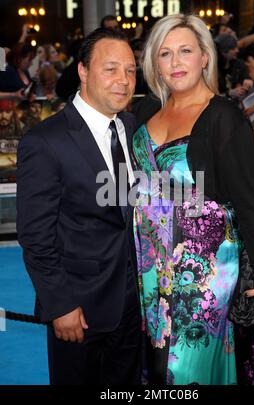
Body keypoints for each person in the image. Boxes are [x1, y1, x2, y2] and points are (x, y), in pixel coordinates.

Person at [131, 14, 254, 385]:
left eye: (185, 51)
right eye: (165, 54)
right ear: (154, 62)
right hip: (149, 267)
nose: (175, 62)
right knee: (154, 365)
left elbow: (248, 200)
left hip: (204, 272)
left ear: (204, 56)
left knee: (191, 369)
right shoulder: (145, 109)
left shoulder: (224, 116)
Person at [17, 28, 141, 385]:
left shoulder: (130, 128)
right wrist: (60, 305)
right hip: (79, 310)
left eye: (131, 71)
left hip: (134, 304)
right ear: (83, 72)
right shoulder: (45, 141)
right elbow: (35, 236)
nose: (123, 81)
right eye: (111, 69)